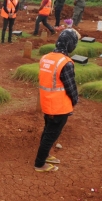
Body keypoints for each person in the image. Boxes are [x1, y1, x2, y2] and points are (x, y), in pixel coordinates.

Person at [34, 30, 79, 172]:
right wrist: (75, 101)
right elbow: (71, 87)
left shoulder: (46, 57)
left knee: (48, 130)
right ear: (70, 44)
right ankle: (40, 163)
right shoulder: (66, 63)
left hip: (47, 102)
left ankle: (45, 155)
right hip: (60, 106)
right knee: (51, 134)